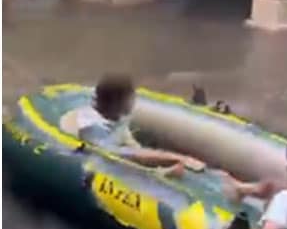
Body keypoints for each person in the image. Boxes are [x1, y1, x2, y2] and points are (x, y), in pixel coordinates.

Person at [62, 74, 206, 178]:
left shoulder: (117, 116)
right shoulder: (92, 127)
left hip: (124, 153)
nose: (133, 103)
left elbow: (132, 145)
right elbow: (122, 156)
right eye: (129, 99)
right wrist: (175, 160)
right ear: (115, 101)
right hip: (101, 166)